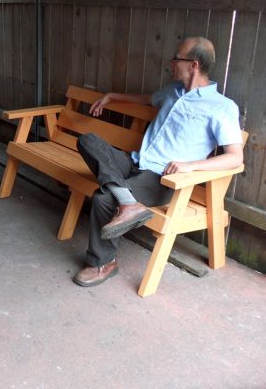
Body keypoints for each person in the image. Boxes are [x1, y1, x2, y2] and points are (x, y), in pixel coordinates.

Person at [73, 36, 244, 288]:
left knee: (103, 198)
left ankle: (104, 263)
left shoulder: (222, 107)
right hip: (134, 162)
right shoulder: (172, 91)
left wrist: (191, 165)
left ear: (193, 65)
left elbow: (235, 158)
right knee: (88, 140)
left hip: (160, 179)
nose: (171, 62)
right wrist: (111, 96)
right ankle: (129, 203)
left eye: (177, 58)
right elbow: (144, 99)